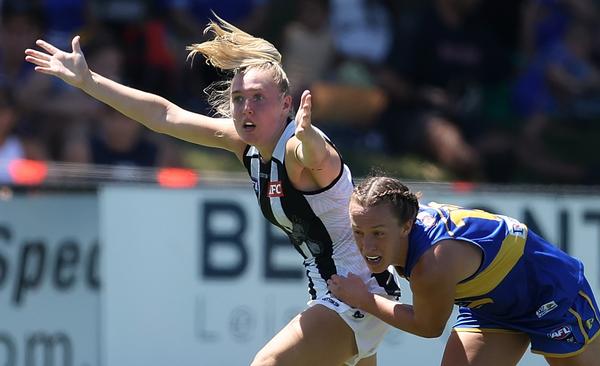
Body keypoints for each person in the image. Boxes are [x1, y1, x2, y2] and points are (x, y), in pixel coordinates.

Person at [24, 17, 400, 366]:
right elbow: (164, 116)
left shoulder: (297, 148)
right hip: (335, 291)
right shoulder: (247, 145)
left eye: (257, 98)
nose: (244, 108)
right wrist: (89, 82)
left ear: (287, 105)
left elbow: (316, 155)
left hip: (357, 293)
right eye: (238, 99)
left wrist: (309, 136)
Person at [327, 176, 600, 365]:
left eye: (378, 233)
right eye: (358, 232)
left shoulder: (432, 264)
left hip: (549, 293)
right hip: (489, 303)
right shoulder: (396, 215)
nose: (366, 245)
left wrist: (364, 299)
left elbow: (428, 327)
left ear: (406, 226)